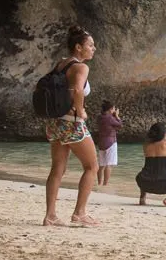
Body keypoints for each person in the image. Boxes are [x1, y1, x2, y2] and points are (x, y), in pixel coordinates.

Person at [42, 26, 100, 227]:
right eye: (90, 45)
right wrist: (81, 110)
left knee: (57, 168)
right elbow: (77, 89)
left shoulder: (61, 64)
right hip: (70, 122)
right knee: (92, 166)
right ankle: (80, 213)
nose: (94, 48)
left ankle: (50, 215)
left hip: (54, 122)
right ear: (78, 47)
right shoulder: (81, 67)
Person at [93, 102, 121, 187]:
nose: (114, 110)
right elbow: (119, 124)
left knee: (101, 165)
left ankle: (99, 183)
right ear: (110, 109)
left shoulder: (100, 117)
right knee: (109, 164)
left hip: (101, 142)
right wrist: (116, 116)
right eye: (113, 109)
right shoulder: (110, 118)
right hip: (111, 142)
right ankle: (105, 184)